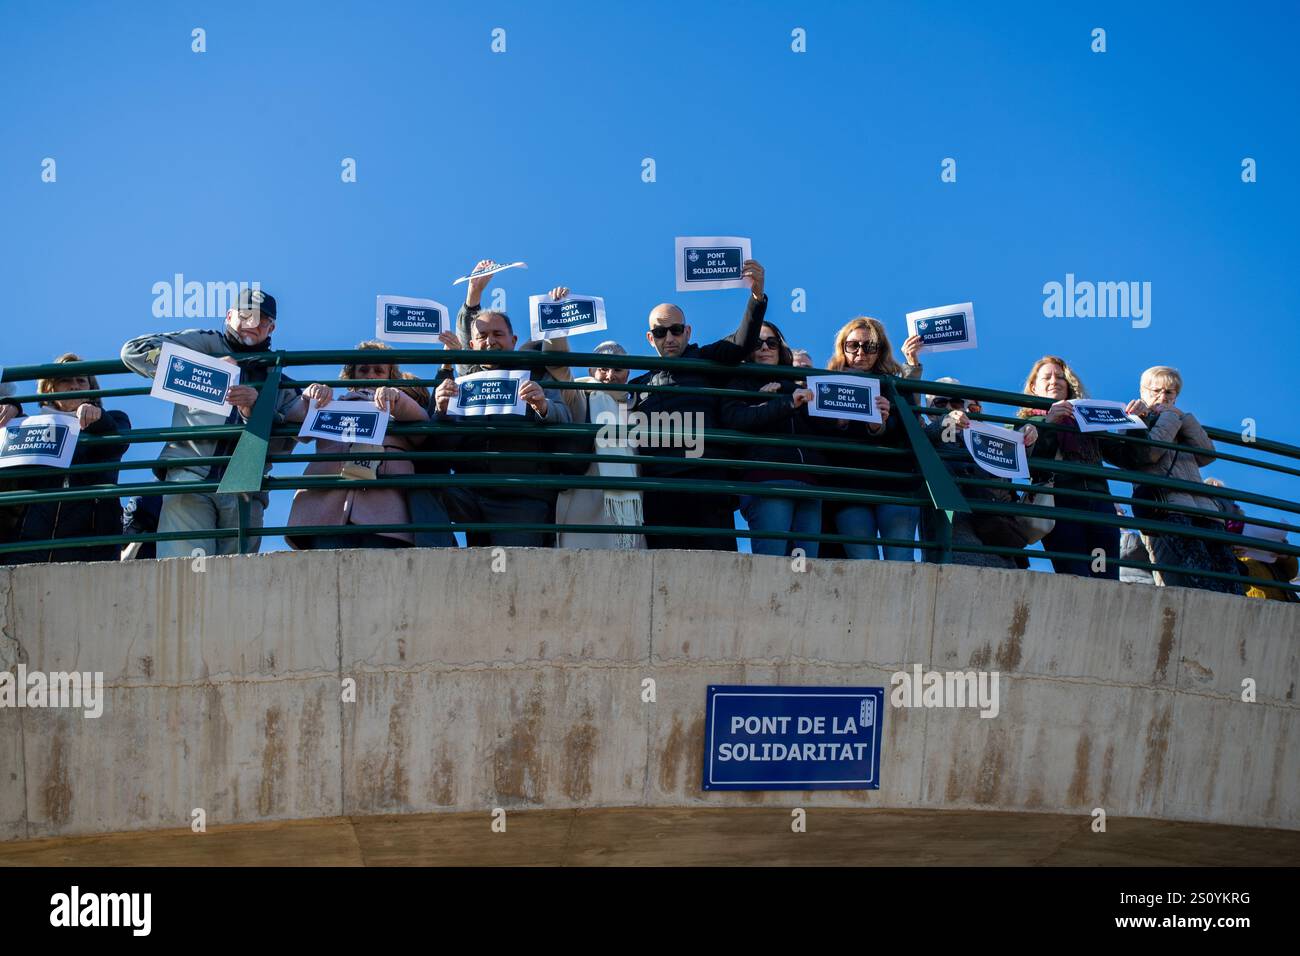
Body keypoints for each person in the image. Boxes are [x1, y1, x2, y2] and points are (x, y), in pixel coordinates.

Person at [120, 288, 301, 559]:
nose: (253, 324)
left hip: (246, 488)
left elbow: (285, 444)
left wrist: (255, 411)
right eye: (246, 315)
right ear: (229, 316)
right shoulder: (206, 343)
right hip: (189, 476)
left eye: (263, 320)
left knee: (236, 581)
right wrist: (205, 368)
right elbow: (134, 352)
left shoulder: (280, 377)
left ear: (271, 328)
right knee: (186, 570)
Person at [628, 259, 769, 550]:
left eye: (676, 330)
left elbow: (742, 343)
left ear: (688, 332)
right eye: (660, 332)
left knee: (719, 572)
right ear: (649, 337)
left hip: (709, 484)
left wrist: (756, 297)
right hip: (660, 488)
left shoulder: (707, 359)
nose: (669, 338)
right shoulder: (637, 385)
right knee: (665, 574)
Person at [432, 287, 572, 548]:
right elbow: (438, 448)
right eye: (482, 336)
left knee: (515, 570)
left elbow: (564, 416)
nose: (490, 341)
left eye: (498, 334)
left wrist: (542, 405)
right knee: (421, 487)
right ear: (471, 345)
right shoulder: (460, 383)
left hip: (521, 497)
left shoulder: (534, 374)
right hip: (471, 492)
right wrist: (441, 412)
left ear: (513, 340)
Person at [284, 342, 429, 550]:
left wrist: (397, 399)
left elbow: (423, 427)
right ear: (351, 377)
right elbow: (295, 430)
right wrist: (308, 399)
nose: (370, 375)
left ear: (390, 377)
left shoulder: (400, 410)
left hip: (385, 521)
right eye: (363, 369)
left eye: (378, 371)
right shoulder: (332, 405)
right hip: (326, 515)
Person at [1120, 366, 1243, 594]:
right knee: (1196, 575)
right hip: (1168, 508)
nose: (1163, 397)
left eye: (1170, 392)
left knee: (1229, 573)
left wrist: (1185, 419)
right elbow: (1150, 452)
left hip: (1204, 509)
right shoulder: (1136, 419)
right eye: (1156, 391)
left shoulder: (1179, 420)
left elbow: (1207, 454)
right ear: (1143, 391)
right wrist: (1169, 417)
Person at [2, 354, 131, 564]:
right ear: (49, 390)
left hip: (90, 547)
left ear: (91, 389)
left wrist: (97, 418)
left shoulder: (114, 418)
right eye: (65, 380)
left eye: (81, 380)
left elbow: (116, 443)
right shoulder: (30, 423)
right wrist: (10, 406)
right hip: (26, 547)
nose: (74, 386)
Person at [816, 317, 924, 560]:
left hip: (895, 486)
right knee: (863, 564)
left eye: (869, 346)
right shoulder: (826, 383)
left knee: (900, 564)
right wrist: (839, 424)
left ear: (880, 350)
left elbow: (912, 430)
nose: (860, 352)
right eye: (853, 345)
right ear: (842, 347)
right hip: (849, 487)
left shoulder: (895, 385)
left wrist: (881, 426)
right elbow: (815, 431)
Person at [1015, 355, 1125, 579]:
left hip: (1099, 503)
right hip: (1061, 504)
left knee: (1106, 576)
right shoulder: (1027, 423)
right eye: (1046, 377)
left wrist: (1137, 424)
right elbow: (1030, 464)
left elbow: (1127, 455)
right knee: (1076, 575)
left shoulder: (1088, 420)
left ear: (1069, 385)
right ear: (1034, 388)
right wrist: (1049, 424)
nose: (1054, 381)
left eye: (1060, 377)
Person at [720, 321, 822, 557]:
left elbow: (822, 428)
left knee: (807, 570)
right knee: (772, 567)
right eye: (756, 343)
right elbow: (736, 419)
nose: (764, 348)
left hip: (809, 485)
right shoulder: (739, 384)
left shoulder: (794, 384)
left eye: (771, 342)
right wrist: (775, 403)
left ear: (780, 348)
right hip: (767, 481)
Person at [918, 379, 1026, 568]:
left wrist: (1027, 436)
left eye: (958, 402)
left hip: (994, 532)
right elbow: (917, 439)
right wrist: (946, 423)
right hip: (956, 534)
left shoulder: (985, 438)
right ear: (929, 411)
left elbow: (1008, 475)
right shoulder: (928, 435)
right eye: (941, 403)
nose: (951, 407)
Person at [554, 340, 645, 549]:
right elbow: (557, 365)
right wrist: (556, 325)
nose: (610, 375)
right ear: (591, 370)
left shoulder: (637, 408)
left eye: (618, 369)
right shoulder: (579, 397)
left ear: (628, 373)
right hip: (583, 510)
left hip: (628, 513)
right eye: (603, 368)